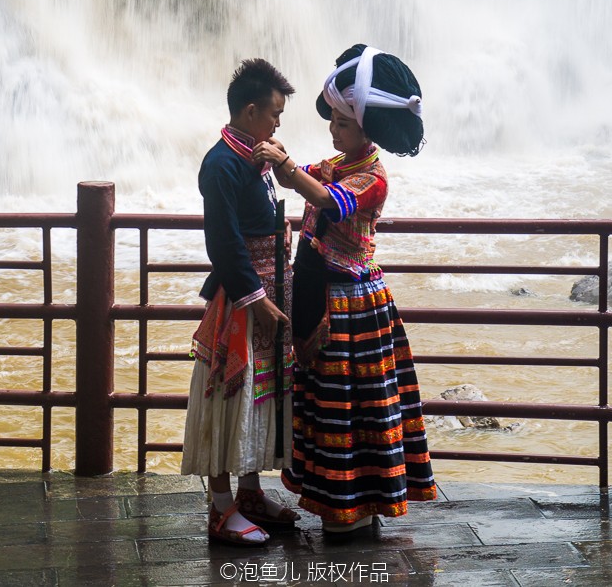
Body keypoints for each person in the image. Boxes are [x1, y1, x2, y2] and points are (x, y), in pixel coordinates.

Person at [253, 43, 436, 532]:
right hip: (325, 301)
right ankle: (343, 505)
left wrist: (286, 168)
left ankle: (352, 511)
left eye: (342, 123)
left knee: (352, 408)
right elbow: (311, 180)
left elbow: (326, 200)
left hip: (351, 308)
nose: (333, 131)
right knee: (331, 405)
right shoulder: (337, 165)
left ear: (366, 127)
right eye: (332, 121)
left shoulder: (371, 178)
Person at [181, 58, 299, 546]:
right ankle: (221, 507)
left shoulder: (254, 157)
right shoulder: (222, 164)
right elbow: (223, 244)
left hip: (267, 297)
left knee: (259, 398)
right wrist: (259, 303)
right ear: (251, 112)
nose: (277, 124)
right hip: (242, 306)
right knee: (228, 399)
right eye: (274, 114)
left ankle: (249, 493)